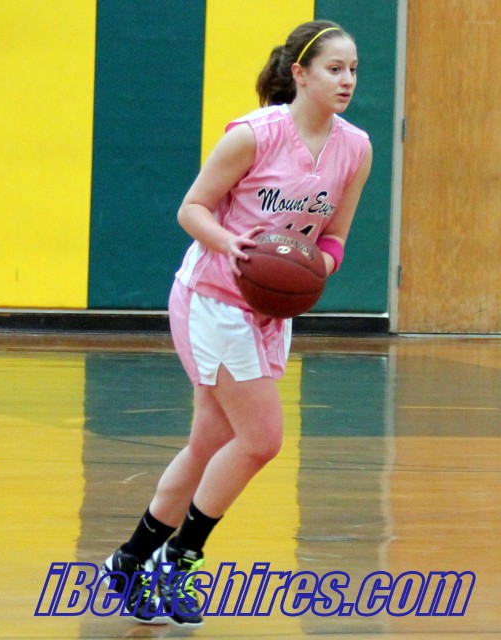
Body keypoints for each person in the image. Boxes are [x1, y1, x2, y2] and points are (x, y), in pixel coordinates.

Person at [101, 19, 372, 627]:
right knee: (262, 439)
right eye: (334, 69)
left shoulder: (356, 148)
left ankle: (130, 561)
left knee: (209, 445)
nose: (347, 80)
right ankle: (179, 560)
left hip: (269, 309)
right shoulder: (254, 136)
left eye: (354, 70)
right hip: (214, 297)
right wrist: (232, 244)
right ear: (300, 74)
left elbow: (335, 237)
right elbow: (191, 209)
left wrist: (316, 267)